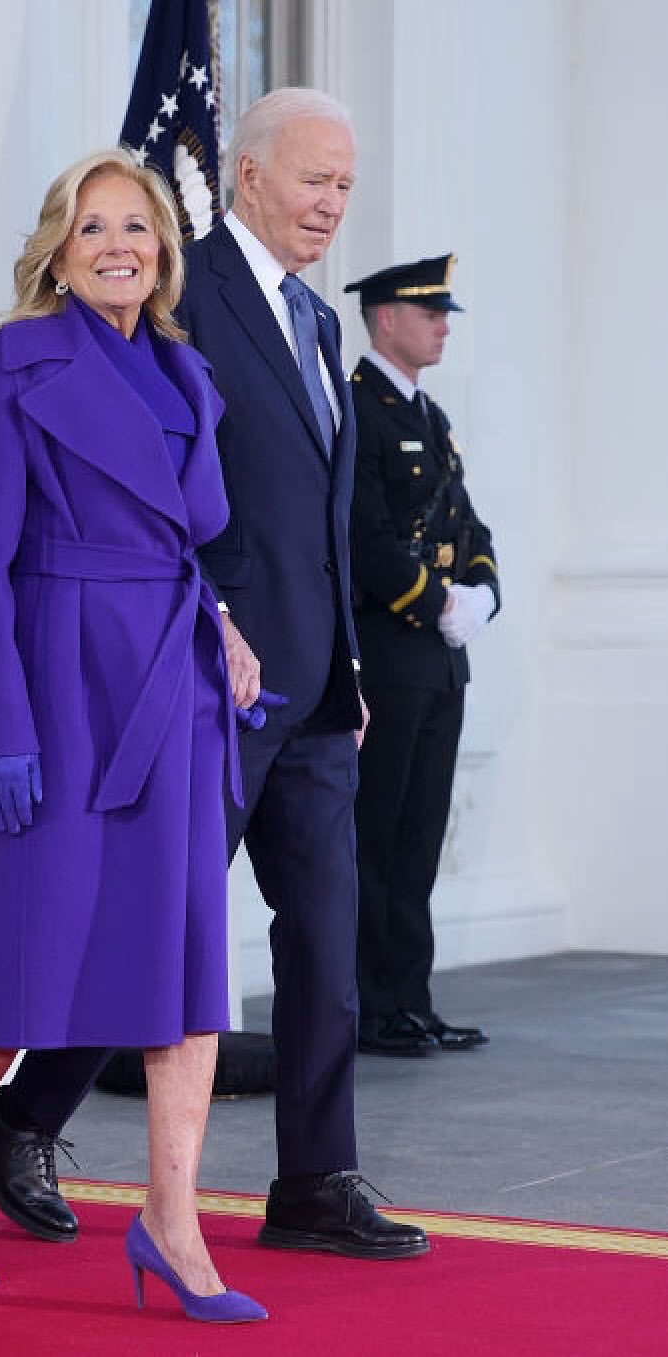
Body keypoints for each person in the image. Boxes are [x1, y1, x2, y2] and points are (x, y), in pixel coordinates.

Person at [0, 88, 430, 1263]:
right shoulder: (181, 295)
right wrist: (210, 629)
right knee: (145, 925)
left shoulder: (317, 321)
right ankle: (22, 1115)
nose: (332, 204)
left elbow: (318, 523)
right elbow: (157, 504)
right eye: (315, 179)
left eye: (346, 186)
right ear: (249, 176)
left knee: (326, 937)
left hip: (311, 686)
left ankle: (316, 1180)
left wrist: (349, 666)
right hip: (191, 677)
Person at [0, 147, 266, 1323]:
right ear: (57, 251)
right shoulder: (13, 364)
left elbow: (182, 541)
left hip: (173, 687)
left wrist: (224, 629)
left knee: (186, 963)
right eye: (93, 228)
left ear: (164, 250)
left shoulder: (188, 370)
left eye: (136, 227)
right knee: (27, 955)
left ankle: (172, 1220)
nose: (117, 247)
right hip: (61, 690)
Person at [344, 254, 499, 1056]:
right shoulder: (357, 409)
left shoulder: (430, 417)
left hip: (439, 662)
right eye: (429, 313)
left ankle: (411, 997)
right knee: (376, 832)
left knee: (420, 837)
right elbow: (365, 537)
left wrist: (482, 594)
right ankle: (371, 1006)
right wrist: (436, 601)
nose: (442, 327)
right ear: (385, 319)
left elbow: (469, 527)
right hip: (389, 652)